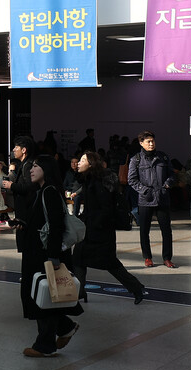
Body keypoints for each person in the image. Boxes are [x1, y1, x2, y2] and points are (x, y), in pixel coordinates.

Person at [18, 155, 83, 357]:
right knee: (44, 295)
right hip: (39, 252)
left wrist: (53, 257)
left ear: (47, 169)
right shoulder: (42, 191)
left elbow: (56, 226)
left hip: (45, 254)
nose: (31, 169)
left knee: (43, 297)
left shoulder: (50, 192)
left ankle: (45, 345)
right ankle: (65, 327)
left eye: (36, 166)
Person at [72, 151, 145, 304]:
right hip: (90, 229)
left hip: (100, 231)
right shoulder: (89, 179)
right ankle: (79, 292)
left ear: (90, 164)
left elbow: (106, 208)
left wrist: (93, 223)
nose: (78, 162)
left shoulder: (99, 182)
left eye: (82, 160)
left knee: (110, 264)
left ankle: (136, 288)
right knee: (78, 260)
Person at [127, 130, 177, 268]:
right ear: (141, 143)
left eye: (153, 141)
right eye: (148, 141)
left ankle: (167, 258)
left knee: (166, 231)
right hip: (146, 199)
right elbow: (131, 180)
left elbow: (172, 175)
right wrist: (145, 190)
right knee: (144, 230)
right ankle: (147, 257)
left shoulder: (163, 157)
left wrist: (167, 185)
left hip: (162, 197)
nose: (151, 144)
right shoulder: (136, 159)